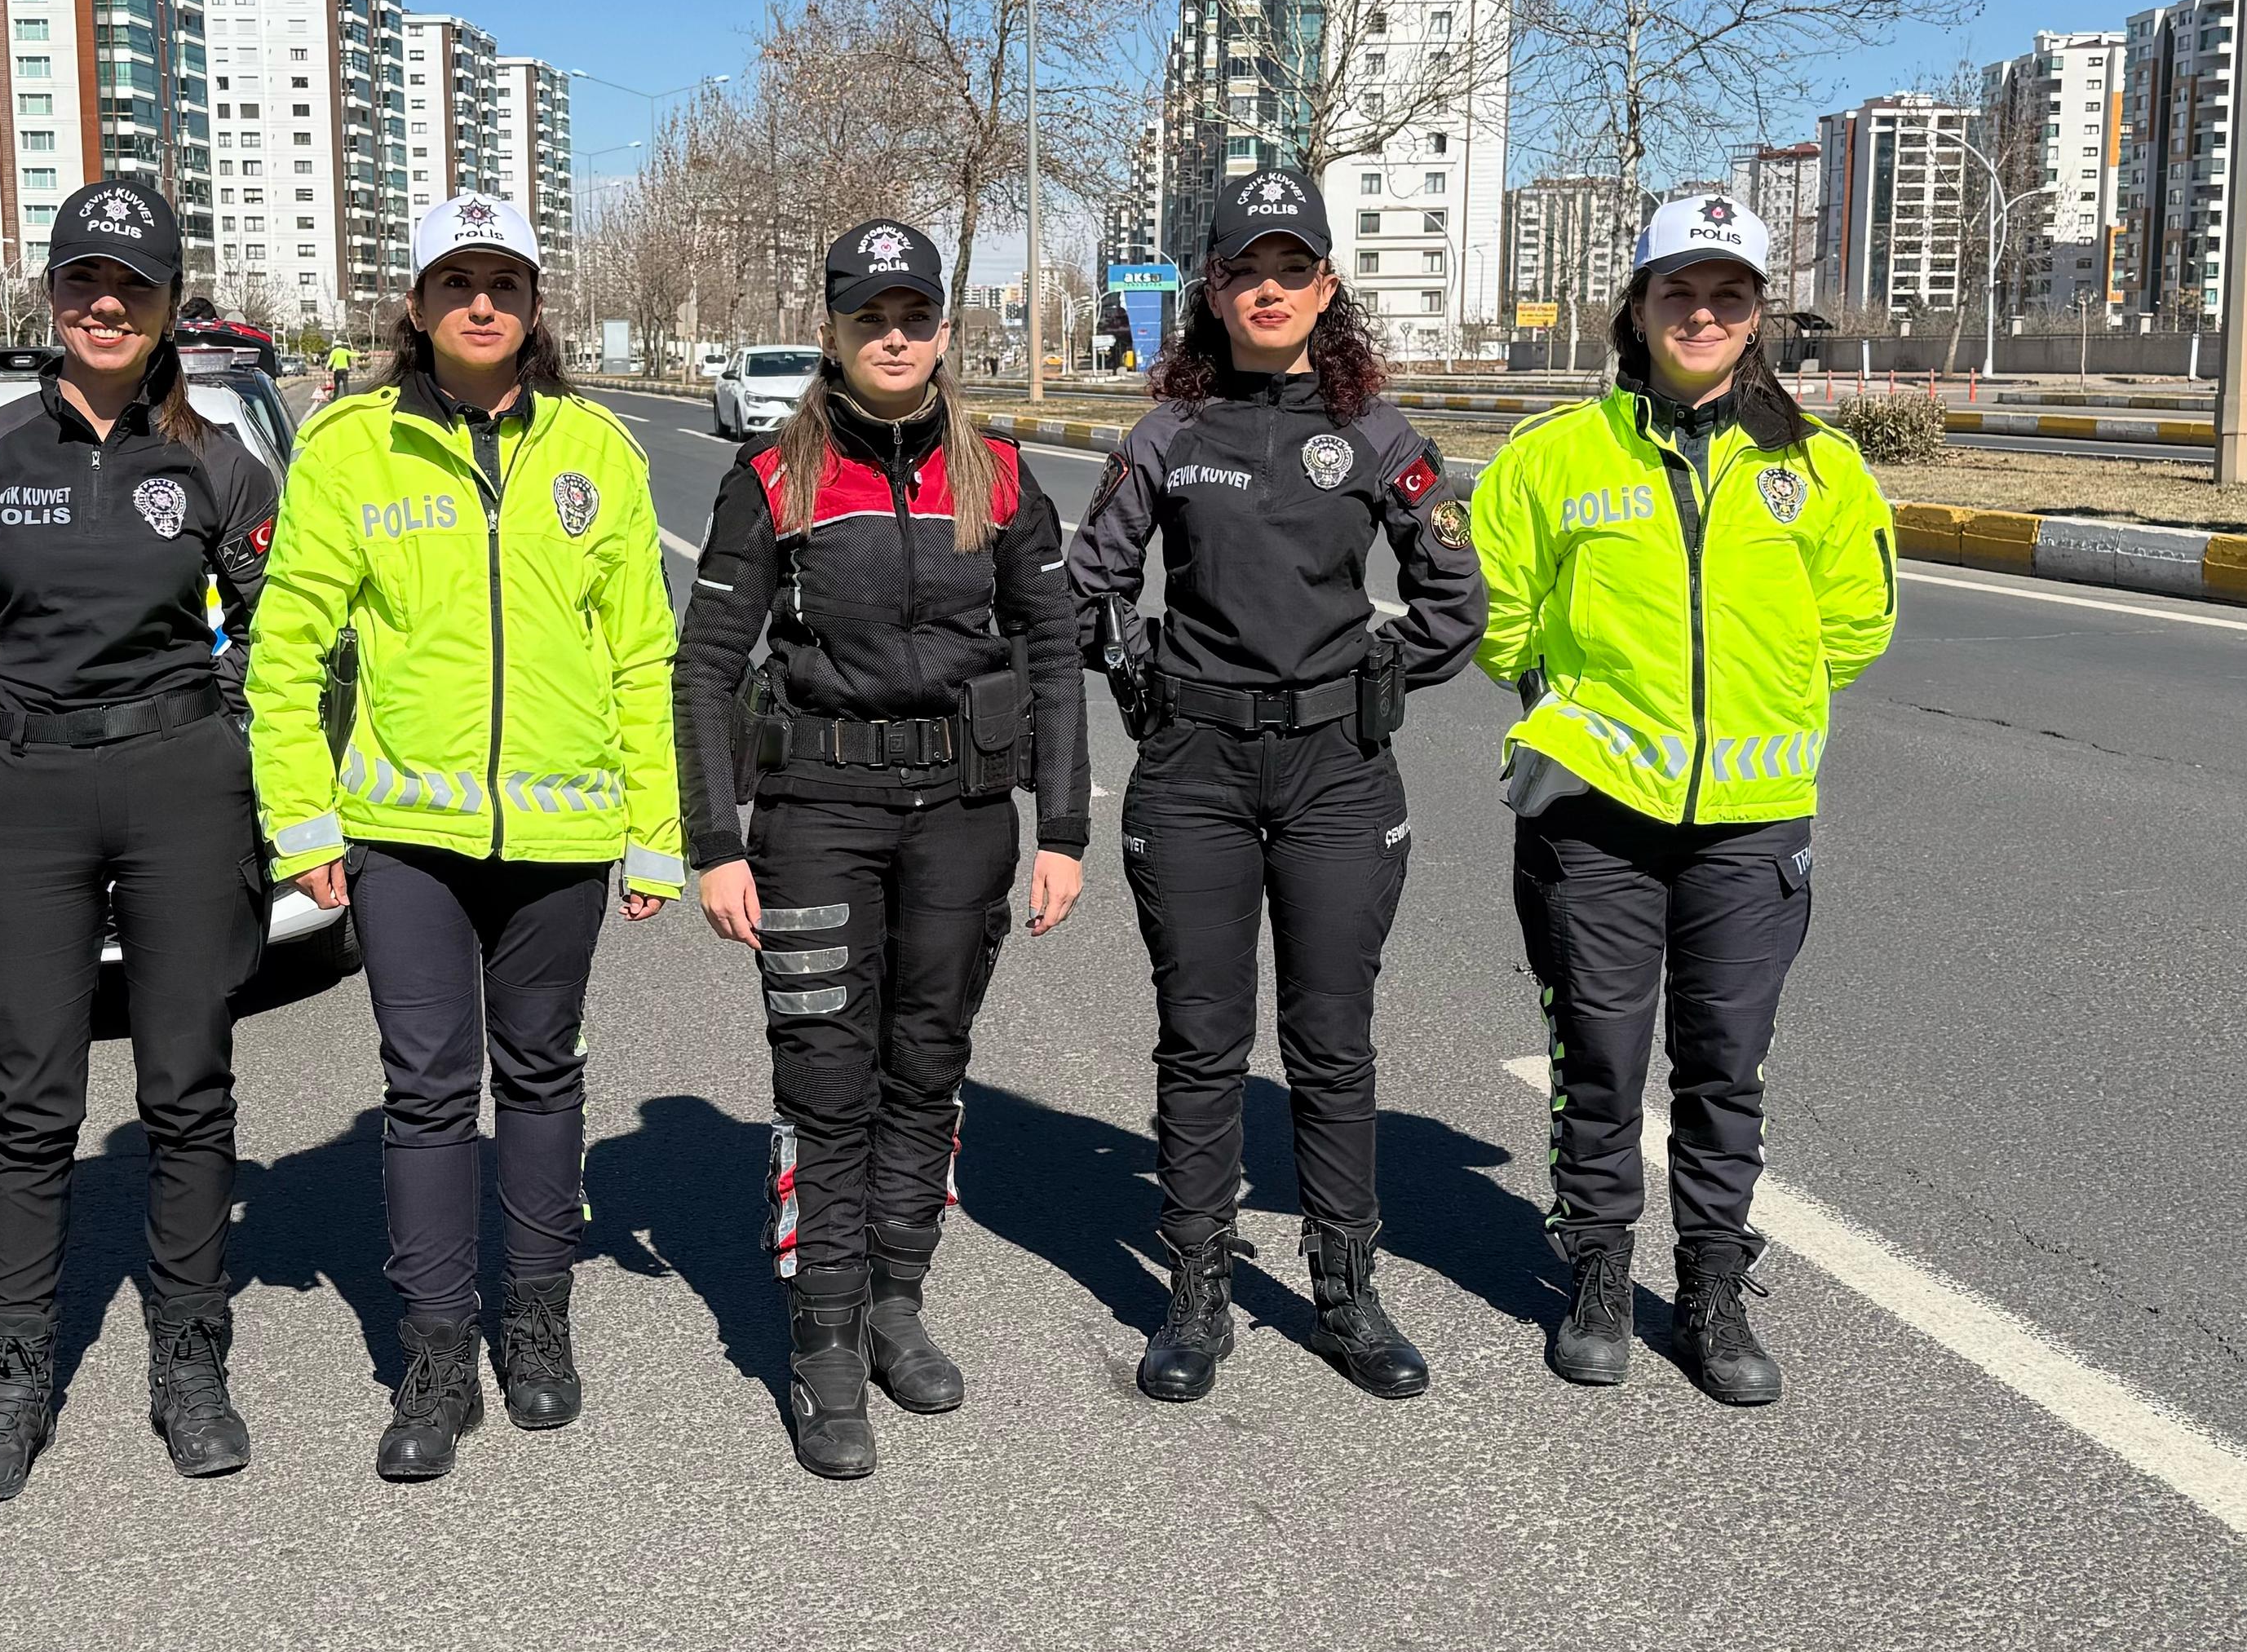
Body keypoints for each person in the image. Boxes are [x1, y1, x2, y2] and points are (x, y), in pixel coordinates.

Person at [247, 193, 683, 1482]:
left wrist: (656, 831)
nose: (480, 304)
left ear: (534, 306)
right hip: (405, 837)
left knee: (542, 1076)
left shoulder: (597, 452)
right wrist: (301, 821)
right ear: (417, 304)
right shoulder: (349, 448)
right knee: (430, 1090)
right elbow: (286, 648)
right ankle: (436, 1351)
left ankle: (537, 1319)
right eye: (456, 282)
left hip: (561, 834)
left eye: (503, 284)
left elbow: (643, 656)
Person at [671, 220, 1088, 1480]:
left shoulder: (999, 475)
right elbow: (707, 665)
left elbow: (1053, 649)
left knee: (926, 1065)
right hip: (817, 819)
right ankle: (824, 1338)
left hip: (963, 819)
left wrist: (1063, 829)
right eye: (871, 318)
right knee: (826, 1077)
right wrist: (713, 842)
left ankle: (898, 1300)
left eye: (914, 316)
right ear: (835, 333)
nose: (894, 337)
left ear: (943, 330)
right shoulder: (773, 478)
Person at [1471, 192, 1896, 1406]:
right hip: (1593, 814)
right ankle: (1598, 1272)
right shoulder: (1555, 457)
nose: (1701, 315)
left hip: (1752, 825)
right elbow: (1499, 615)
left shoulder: (1820, 467)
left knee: (1724, 1066)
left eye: (1728, 296)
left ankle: (1711, 1284)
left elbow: (1857, 624)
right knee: (1599, 1059)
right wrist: (1574, 707)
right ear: (1638, 307)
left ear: (1757, 316)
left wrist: (1760, 706)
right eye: (1679, 292)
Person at [1067, 169, 1482, 1407]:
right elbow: (1089, 587)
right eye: (1245, 270)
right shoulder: (1167, 437)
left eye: (1291, 269)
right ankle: (1197, 1290)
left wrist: (1377, 678)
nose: (1268, 290)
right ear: (1213, 289)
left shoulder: (1377, 436)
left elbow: (1455, 598)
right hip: (1193, 772)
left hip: (1335, 776)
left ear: (1326, 286)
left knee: (1331, 1040)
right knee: (1203, 1039)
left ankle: (1346, 1290)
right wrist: (1136, 668)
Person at [0, 181, 281, 1502]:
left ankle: (190, 1360)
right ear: (53, 295)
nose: (106, 306)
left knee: (187, 1086)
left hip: (180, 783)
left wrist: (227, 733)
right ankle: (14, 1377)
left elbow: (277, 625)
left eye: (133, 286)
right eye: (84, 282)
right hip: (27, 792)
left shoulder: (218, 463)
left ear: (170, 304)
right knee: (32, 1100)